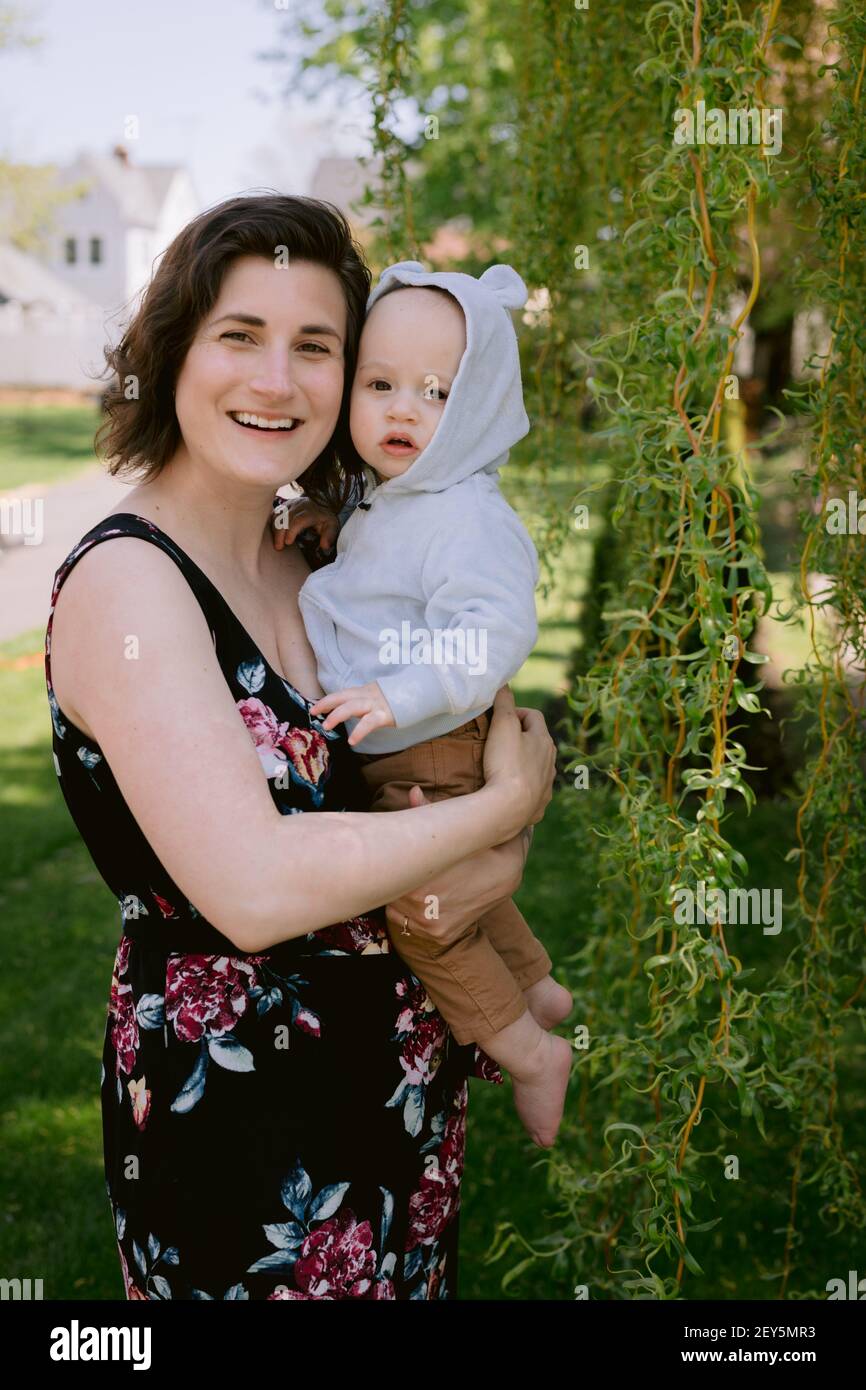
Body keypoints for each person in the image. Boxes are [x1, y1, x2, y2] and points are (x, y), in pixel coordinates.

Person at [43, 193, 558, 1301]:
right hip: (244, 1123)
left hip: (401, 1084)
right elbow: (258, 888)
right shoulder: (129, 581)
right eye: (240, 335)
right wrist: (500, 811)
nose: (276, 381)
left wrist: (482, 827)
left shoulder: (311, 561)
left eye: (316, 346)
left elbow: (444, 725)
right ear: (174, 346)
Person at [274, 261, 573, 1148]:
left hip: (433, 744)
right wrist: (328, 518)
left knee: (427, 916)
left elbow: (491, 635)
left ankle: (528, 1050)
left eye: (437, 393)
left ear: (477, 407)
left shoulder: (467, 518)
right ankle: (539, 986)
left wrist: (398, 691)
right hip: (418, 745)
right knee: (459, 887)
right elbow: (381, 565)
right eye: (381, 384)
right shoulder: (400, 496)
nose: (402, 410)